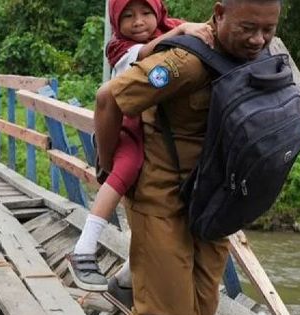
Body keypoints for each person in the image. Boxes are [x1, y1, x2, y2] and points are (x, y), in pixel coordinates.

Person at [92, 0, 283, 315]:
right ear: (219, 14)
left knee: (199, 314)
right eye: (248, 28)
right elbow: (109, 98)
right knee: (168, 310)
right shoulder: (185, 62)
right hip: (161, 198)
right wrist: (108, 163)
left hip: (214, 203)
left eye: (268, 29)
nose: (258, 39)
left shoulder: (261, 57)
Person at [67, 0, 214, 292]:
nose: (139, 22)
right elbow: (146, 53)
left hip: (159, 132)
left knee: (157, 190)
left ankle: (131, 273)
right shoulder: (119, 48)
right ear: (115, 22)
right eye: (129, 16)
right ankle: (84, 248)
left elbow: (205, 33)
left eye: (147, 13)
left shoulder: (169, 28)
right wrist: (184, 29)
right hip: (128, 127)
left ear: (159, 12)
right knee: (127, 169)